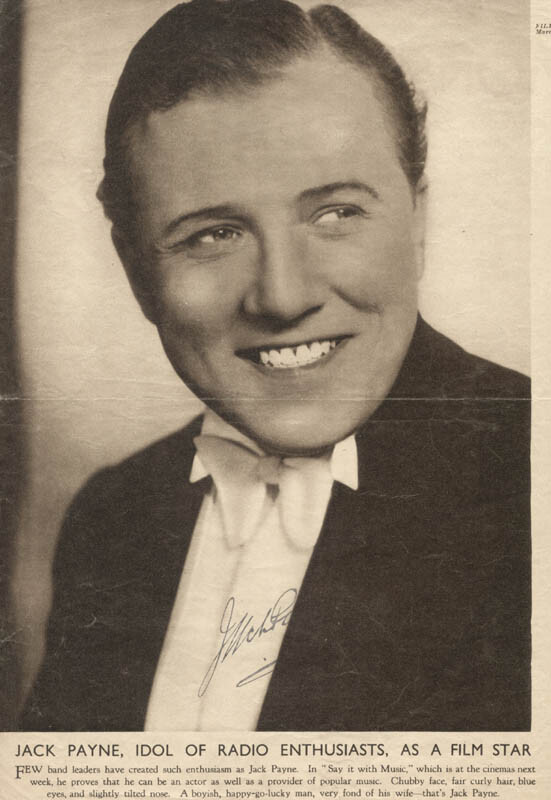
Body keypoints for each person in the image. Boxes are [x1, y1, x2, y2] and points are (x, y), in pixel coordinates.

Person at [20, 0, 530, 732]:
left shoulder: (529, 480)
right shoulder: (114, 518)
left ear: (417, 221)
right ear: (136, 272)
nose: (282, 297)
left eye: (336, 214)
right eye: (213, 234)